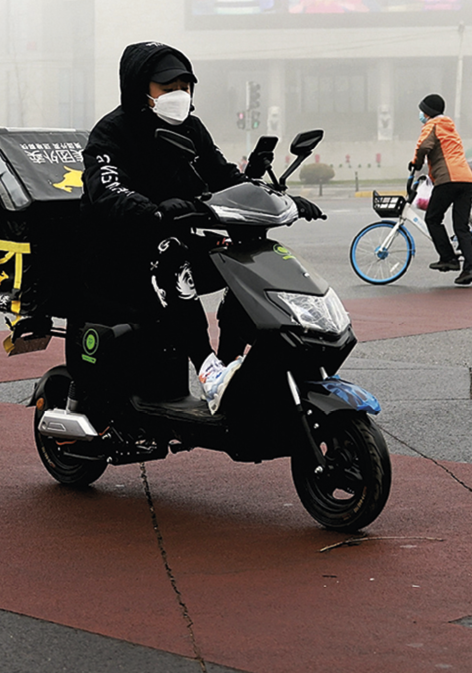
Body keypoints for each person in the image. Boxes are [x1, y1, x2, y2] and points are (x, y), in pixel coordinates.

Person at [83, 41, 323, 409]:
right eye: (167, 87)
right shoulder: (112, 132)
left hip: (176, 240)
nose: (178, 95)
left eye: (185, 87)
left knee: (247, 260)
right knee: (172, 254)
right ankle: (207, 369)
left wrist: (281, 201)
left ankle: (228, 366)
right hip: (123, 253)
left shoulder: (192, 129)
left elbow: (224, 176)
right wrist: (153, 211)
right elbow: (107, 189)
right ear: (140, 88)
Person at [410, 93, 472, 285]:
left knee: (432, 218)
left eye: (422, 110)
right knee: (461, 226)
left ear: (428, 112)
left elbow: (423, 146)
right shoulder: (450, 128)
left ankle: (448, 258)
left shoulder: (431, 125)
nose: (421, 114)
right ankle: (470, 269)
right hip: (466, 179)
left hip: (448, 179)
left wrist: (416, 163)